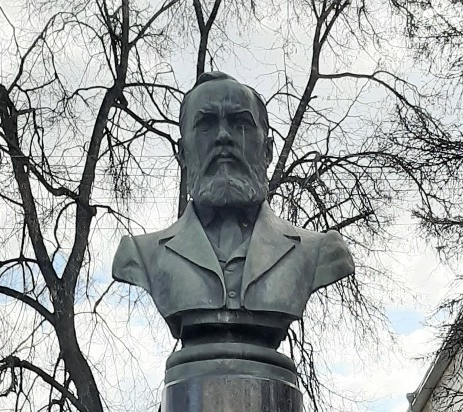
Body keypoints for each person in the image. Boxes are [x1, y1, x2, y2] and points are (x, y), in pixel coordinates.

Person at [112, 72, 354, 346]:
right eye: (206, 124)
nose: (223, 136)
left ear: (268, 150)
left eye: (240, 123)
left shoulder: (320, 252)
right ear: (182, 153)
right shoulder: (140, 255)